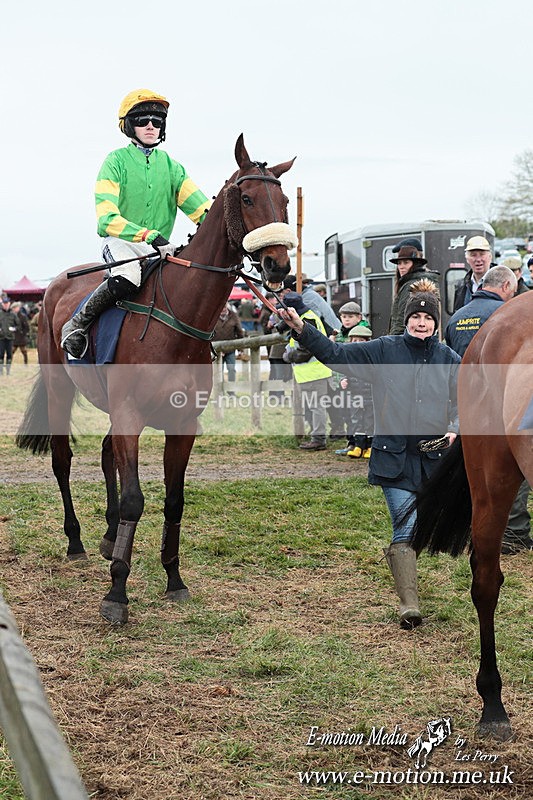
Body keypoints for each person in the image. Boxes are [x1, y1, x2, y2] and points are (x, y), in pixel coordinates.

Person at [279, 280, 461, 628]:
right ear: (406, 320)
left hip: (432, 461)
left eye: (427, 318)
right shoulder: (384, 350)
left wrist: (455, 426)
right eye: (415, 316)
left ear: (436, 323)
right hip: (392, 457)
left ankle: (406, 571)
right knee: (404, 525)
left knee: (421, 526)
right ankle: (410, 605)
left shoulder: (449, 358)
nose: (421, 322)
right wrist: (303, 330)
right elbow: (337, 355)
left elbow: (464, 399)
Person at [61, 89, 211, 359]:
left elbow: (202, 212)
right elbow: (107, 218)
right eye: (142, 120)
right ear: (129, 125)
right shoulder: (114, 161)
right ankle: (78, 324)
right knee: (129, 278)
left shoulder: (172, 167)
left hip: (159, 247)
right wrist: (149, 235)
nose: (151, 126)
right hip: (121, 242)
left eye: (156, 121)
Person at [445, 265, 533, 555]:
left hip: (467, 397)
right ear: (508, 287)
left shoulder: (458, 315)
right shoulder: (502, 317)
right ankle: (516, 530)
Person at [282, 292, 332, 451]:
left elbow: (305, 351)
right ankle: (317, 436)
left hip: (313, 372)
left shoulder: (307, 320)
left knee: (317, 407)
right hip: (311, 372)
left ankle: (318, 438)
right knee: (314, 407)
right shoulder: (309, 316)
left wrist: (288, 355)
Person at [445, 265, 517, 357]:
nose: (513, 297)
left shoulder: (455, 318)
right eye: (514, 292)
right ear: (506, 286)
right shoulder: (507, 313)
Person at [388, 240, 440, 335]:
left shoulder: (411, 285)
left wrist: (393, 343)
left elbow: (401, 322)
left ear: (415, 264)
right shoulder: (423, 280)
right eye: (399, 263)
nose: (401, 267)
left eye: (406, 262)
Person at [339, 325, 375, 458]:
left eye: (361, 340)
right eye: (355, 341)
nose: (358, 344)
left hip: (370, 398)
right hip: (355, 397)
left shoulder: (372, 359)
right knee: (356, 421)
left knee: (370, 421)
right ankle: (359, 446)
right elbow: (345, 373)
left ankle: (370, 446)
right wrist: (343, 381)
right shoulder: (350, 359)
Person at [453, 235, 493, 311]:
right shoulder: (461, 286)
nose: (478, 259)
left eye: (482, 254)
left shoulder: (501, 283)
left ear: (490, 256)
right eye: (473, 255)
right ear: (467, 259)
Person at [213, 303, 245, 394]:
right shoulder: (214, 316)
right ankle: (220, 391)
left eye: (224, 306)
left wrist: (240, 349)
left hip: (230, 349)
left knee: (231, 370)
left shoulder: (233, 316)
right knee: (219, 372)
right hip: (217, 350)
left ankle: (231, 391)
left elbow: (239, 332)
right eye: (221, 307)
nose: (223, 309)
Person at [0, 295, 19, 375]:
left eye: (7, 303)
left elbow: (18, 325)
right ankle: (1, 371)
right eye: (4, 303)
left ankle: (8, 371)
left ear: (9, 304)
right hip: (1, 338)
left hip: (10, 337)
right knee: (0, 355)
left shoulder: (13, 314)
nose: (6, 305)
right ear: (2, 304)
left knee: (9, 355)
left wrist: (14, 329)